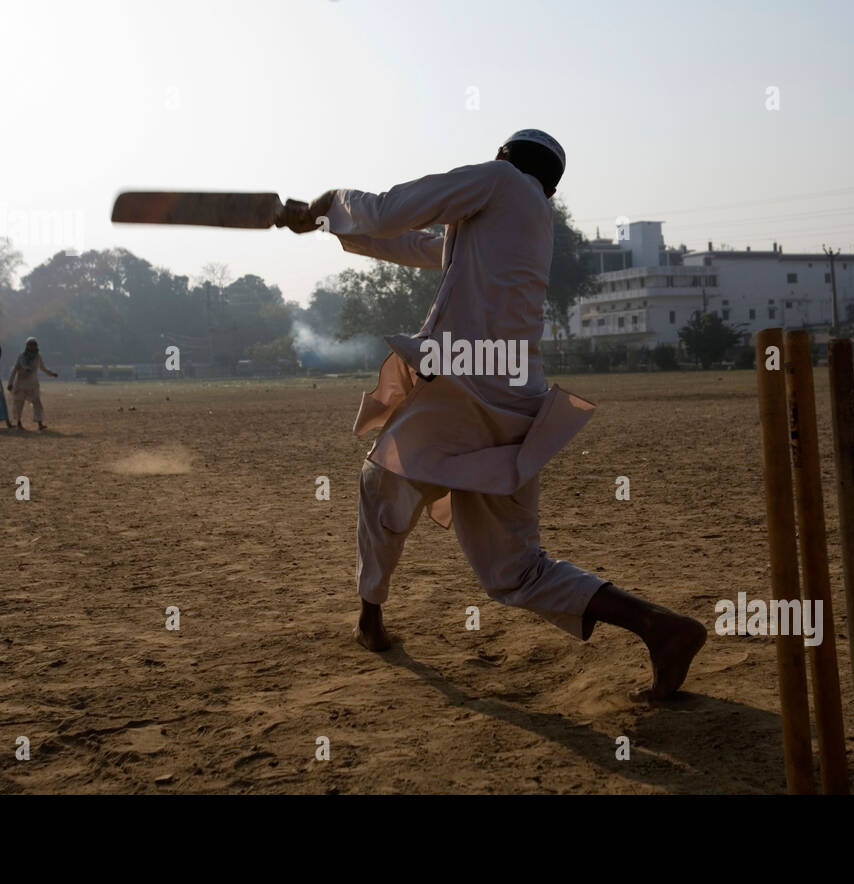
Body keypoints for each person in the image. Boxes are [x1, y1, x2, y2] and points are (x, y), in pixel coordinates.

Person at [279, 130, 707, 699]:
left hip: (463, 391)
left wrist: (329, 200)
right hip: (514, 408)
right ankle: (662, 627)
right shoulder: (526, 225)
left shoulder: (498, 180)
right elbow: (418, 245)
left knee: (381, 485)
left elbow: (391, 210)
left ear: (505, 158)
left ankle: (370, 619)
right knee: (518, 571)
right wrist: (331, 223)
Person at [7, 337, 58, 430]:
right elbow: (15, 370)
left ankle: (40, 424)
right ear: (27, 346)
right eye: (30, 344)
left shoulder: (38, 356)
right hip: (20, 384)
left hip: (32, 384)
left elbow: (43, 368)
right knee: (19, 404)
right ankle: (18, 422)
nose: (32, 346)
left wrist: (51, 374)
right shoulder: (21, 356)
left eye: (34, 344)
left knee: (37, 403)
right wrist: (10, 383)